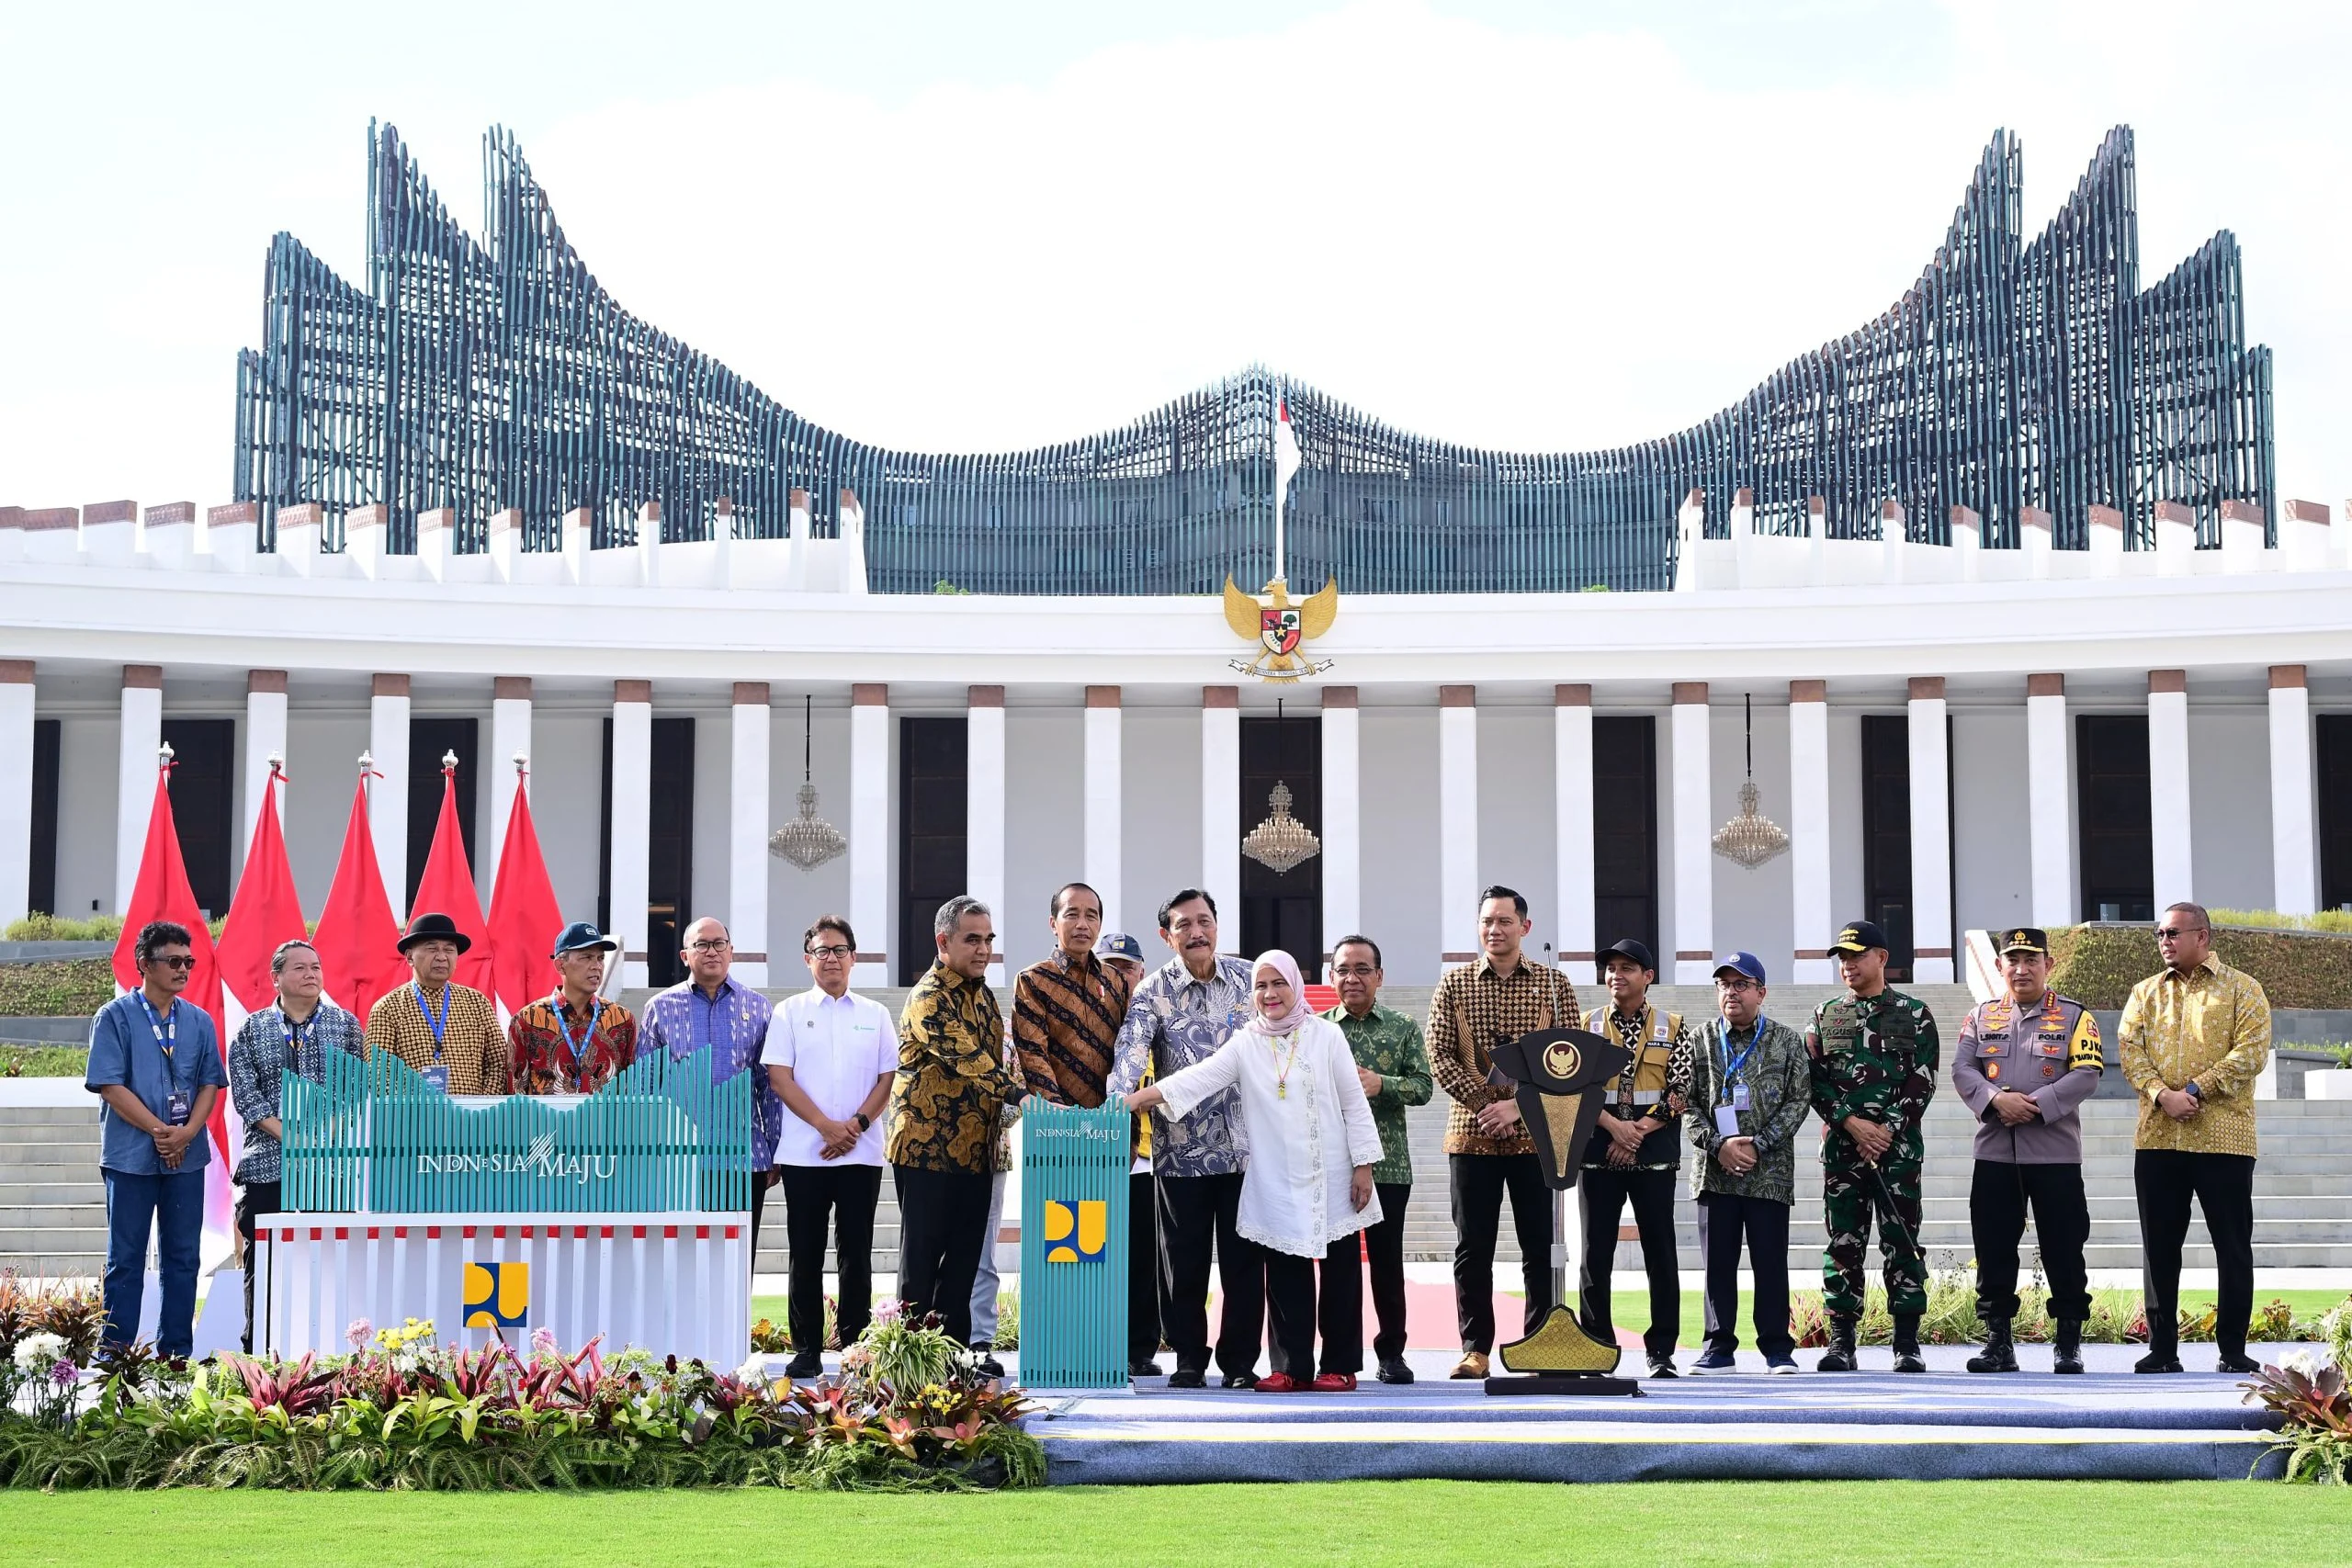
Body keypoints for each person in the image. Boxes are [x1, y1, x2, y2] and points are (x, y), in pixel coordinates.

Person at [1125, 951, 1384, 1391]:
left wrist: (1364, 1165)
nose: (1269, 994)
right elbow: (1199, 1077)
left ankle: (1339, 1366)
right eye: (1261, 986)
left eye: (1278, 984)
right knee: (1285, 1273)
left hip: (1333, 1172)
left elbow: (1354, 1103)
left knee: (1339, 1272)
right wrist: (1137, 1099)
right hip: (1277, 1177)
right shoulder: (1247, 1041)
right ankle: (1290, 1368)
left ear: (1295, 986)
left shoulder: (1326, 1036)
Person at [1424, 884, 1583, 1380]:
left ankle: (1538, 1343)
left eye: (1505, 921)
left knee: (1538, 1247)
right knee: (1473, 1247)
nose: (1495, 930)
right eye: (1487, 921)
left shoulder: (1555, 987)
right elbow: (1439, 1055)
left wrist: (1519, 1108)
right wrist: (1485, 1104)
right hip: (1470, 1136)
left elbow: (1572, 1063)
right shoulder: (1453, 985)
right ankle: (1475, 1348)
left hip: (1534, 1138)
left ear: (1525, 927)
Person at [1107, 889, 1264, 1388]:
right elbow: (1129, 1058)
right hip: (1179, 1156)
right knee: (1183, 1266)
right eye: (1183, 925)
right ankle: (1190, 1360)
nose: (1196, 932)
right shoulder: (1151, 991)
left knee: (1243, 1265)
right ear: (1166, 936)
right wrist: (1115, 1105)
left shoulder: (1249, 980)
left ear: (1217, 925)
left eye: (1204, 921)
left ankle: (1240, 1364)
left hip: (1246, 1151)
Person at [2121, 902, 2271, 1375]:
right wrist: (2161, 1094)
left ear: (2202, 936)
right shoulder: (2144, 992)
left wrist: (2194, 1090)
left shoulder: (2243, 990)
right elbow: (2129, 1050)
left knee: (2232, 1245)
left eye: (2172, 933)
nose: (2163, 941)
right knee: (2159, 1247)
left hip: (2224, 1139)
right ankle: (2163, 1350)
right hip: (2159, 1137)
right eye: (2159, 934)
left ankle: (2232, 1350)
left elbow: (2251, 1053)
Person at [1951, 928, 2104, 1375]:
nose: (2021, 969)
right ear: (1999, 966)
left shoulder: (2077, 1018)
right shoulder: (1980, 1017)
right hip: (1996, 1153)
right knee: (1994, 1249)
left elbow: (2088, 1073)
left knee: (2064, 1249)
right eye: (2012, 960)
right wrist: (1998, 1101)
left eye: (2031, 959)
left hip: (2054, 1153)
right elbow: (1962, 1068)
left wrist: (2034, 1106)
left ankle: (2068, 1344)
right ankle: (1999, 1342)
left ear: (2048, 965)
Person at [1001, 884, 1133, 1371]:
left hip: (1106, 1137)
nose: (1082, 923)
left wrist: (1105, 1121)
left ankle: (1101, 1351)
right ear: (1052, 922)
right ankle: (1057, 1353)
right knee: (1061, 1247)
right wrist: (1064, 1125)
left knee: (1101, 1248)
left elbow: (1126, 1054)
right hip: (1055, 1141)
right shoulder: (1032, 981)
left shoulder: (1117, 984)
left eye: (1092, 915)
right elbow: (1032, 1053)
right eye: (1072, 914)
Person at [85, 919, 228, 1357]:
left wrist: (186, 1132)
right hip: (130, 1157)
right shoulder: (114, 1017)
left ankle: (176, 1357)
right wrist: (159, 1131)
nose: (184, 969)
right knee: (125, 1260)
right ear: (145, 964)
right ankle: (115, 1357)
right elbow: (110, 1085)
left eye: (189, 961)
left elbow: (209, 1084)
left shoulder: (199, 1020)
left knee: (183, 1260)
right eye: (174, 961)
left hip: (186, 1155)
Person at [762, 915, 895, 1378]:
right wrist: (825, 1126)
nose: (832, 958)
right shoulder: (789, 1012)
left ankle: (857, 1349)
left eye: (840, 950)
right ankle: (806, 1349)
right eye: (822, 951)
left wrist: (854, 1126)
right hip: (805, 1153)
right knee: (805, 1251)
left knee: (856, 1251)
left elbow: (887, 1079)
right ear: (808, 960)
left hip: (860, 1152)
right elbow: (779, 1077)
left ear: (854, 958)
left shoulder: (874, 1015)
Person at [888, 896, 1022, 1352]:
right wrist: (1023, 1095)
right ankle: (908, 1363)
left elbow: (1001, 1062)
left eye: (988, 940)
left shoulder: (983, 996)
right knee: (921, 1262)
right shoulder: (928, 996)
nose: (983, 949)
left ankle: (954, 1360)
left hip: (976, 1152)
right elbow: (969, 1059)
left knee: (964, 1263)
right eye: (972, 940)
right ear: (943, 941)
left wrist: (1022, 1098)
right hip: (925, 1151)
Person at [1807, 919, 1940, 1374]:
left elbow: (1923, 1081)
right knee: (1843, 1244)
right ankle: (1842, 1343)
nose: (1848, 965)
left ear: (1882, 958)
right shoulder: (1825, 1016)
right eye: (1842, 957)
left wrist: (1885, 1130)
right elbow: (1815, 1083)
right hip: (1844, 1154)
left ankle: (1906, 1344)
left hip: (1898, 1154)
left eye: (1857, 955)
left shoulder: (1914, 1013)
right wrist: (1852, 1125)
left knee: (1902, 1243)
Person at [225, 938, 367, 1352]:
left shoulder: (344, 1025)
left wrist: (325, 1135)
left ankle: (331, 1351)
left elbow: (356, 1090)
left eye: (317, 967)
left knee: (330, 1258)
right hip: (269, 1163)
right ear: (277, 978)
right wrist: (292, 1136)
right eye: (301, 968)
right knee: (265, 1261)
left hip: (330, 1165)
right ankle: (260, 1352)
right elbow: (247, 1098)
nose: (311, 975)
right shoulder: (253, 1028)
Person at [1682, 952, 1811, 1374]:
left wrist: (1760, 1144)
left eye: (1741, 985)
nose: (1731, 993)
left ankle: (1776, 1348)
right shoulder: (1698, 1040)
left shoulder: (1786, 1041)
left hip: (1768, 1175)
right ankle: (1718, 1347)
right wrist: (1718, 1145)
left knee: (1770, 1263)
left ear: (1761, 992)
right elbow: (1684, 1104)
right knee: (1717, 1265)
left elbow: (1799, 1099)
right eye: (1724, 985)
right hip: (1715, 1174)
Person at [1577, 938, 1696, 1379]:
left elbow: (1681, 1091)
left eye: (1627, 968)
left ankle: (1662, 1349)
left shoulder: (1674, 1025)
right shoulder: (1586, 1024)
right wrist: (1615, 1129)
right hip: (1597, 1153)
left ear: (1648, 977)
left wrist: (1635, 1134)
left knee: (1660, 1254)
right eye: (1610, 968)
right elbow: (1576, 1088)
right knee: (1595, 1255)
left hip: (1654, 1157)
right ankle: (1596, 1345)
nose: (1616, 976)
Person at [639, 917, 783, 1277]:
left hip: (744, 1159)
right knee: (678, 1262)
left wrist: (776, 1148)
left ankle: (733, 1335)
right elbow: (645, 1086)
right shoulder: (660, 1007)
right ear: (685, 955)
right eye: (702, 945)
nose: (712, 952)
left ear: (731, 952)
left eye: (720, 944)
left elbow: (770, 1086)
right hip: (679, 1161)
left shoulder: (760, 1008)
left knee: (737, 1264)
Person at [1321, 934, 1432, 1385]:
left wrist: (1381, 1083)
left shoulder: (1402, 1027)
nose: (1353, 978)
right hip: (1333, 1166)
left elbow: (1423, 1087)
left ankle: (1392, 1354)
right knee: (1338, 1266)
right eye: (1343, 969)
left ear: (1380, 977)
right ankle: (1338, 1359)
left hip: (1388, 1167)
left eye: (1362, 969)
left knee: (1387, 1266)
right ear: (1331, 977)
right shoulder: (1318, 1029)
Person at [1097, 931, 1163, 1377]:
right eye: (1110, 967)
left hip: (1151, 1155)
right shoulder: (1090, 1021)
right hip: (1100, 1157)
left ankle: (1141, 1348)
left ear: (1141, 972)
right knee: (1097, 1255)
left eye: (1127, 967)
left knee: (1145, 1258)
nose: (1120, 975)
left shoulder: (1160, 1015)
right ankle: (1098, 1343)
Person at [366, 911, 507, 1094]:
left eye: (449, 950)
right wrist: (410, 1110)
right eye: (432, 949)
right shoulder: (387, 1008)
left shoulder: (477, 1003)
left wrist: (482, 1108)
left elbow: (499, 1062)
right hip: (413, 1116)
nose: (442, 957)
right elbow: (378, 1073)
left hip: (470, 1117)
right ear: (409, 957)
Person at [508, 921, 636, 1095]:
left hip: (603, 1121)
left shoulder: (622, 1020)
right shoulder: (527, 1020)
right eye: (586, 957)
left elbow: (630, 1088)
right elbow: (515, 1091)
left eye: (600, 958)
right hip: (546, 1121)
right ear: (561, 965)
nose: (596, 966)